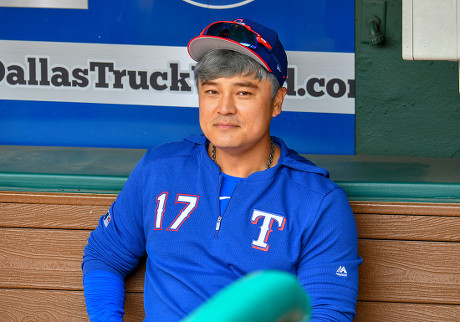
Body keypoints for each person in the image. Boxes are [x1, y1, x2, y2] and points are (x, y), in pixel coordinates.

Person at [82, 18, 362, 321]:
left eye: (243, 92)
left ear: (276, 101)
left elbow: (328, 314)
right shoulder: (160, 169)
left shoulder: (318, 201)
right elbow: (103, 256)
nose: (224, 107)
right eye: (212, 91)